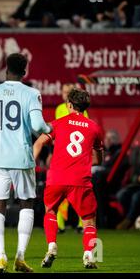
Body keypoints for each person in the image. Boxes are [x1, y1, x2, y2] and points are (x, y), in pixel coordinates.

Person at [0, 53, 52, 273]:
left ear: (5, 69)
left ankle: (0, 258)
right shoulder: (31, 93)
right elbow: (38, 125)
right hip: (21, 157)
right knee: (26, 204)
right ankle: (20, 257)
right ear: (25, 72)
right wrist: (49, 128)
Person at [33, 87, 104, 269]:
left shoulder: (58, 123)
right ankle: (89, 255)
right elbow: (98, 159)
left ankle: (51, 247)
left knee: (50, 211)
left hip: (56, 178)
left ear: (69, 105)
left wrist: (31, 164)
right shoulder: (94, 128)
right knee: (89, 220)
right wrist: (84, 160)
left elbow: (40, 142)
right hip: (80, 179)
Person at [54, 83, 88, 233]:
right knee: (60, 192)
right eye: (64, 92)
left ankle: (82, 224)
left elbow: (84, 130)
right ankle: (59, 225)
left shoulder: (81, 111)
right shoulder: (59, 109)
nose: (65, 94)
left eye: (68, 92)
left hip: (76, 156)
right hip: (62, 154)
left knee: (79, 192)